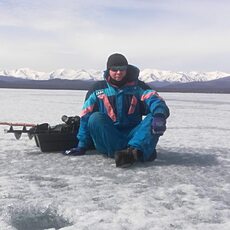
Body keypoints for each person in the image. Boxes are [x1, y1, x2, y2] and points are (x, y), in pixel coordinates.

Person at [63, 53, 170, 167]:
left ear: (126, 69)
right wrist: (82, 146)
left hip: (133, 134)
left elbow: (154, 99)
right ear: (108, 70)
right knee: (95, 118)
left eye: (122, 69)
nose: (118, 72)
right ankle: (137, 152)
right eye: (114, 69)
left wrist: (159, 115)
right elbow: (85, 117)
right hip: (110, 138)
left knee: (154, 116)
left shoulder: (138, 87)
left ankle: (133, 151)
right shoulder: (97, 89)